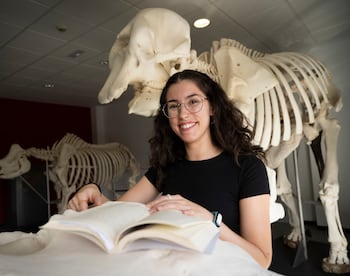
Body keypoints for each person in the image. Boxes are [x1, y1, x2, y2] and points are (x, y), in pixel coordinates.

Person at [68, 69, 272, 269]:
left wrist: (211, 220)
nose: (183, 114)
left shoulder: (248, 167)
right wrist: (93, 190)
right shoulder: (166, 167)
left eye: (193, 101)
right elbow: (119, 211)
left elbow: (262, 259)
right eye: (173, 106)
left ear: (213, 107)